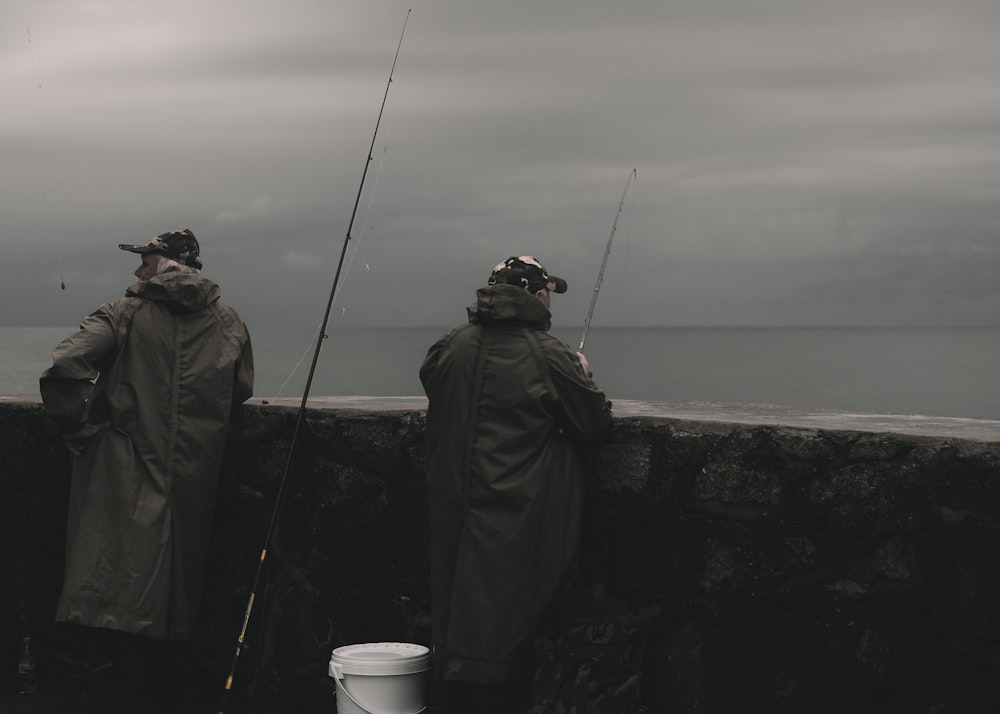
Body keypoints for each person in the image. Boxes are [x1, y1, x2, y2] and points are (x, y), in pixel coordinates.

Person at [39, 229, 254, 712]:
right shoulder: (229, 323)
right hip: (194, 476)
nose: (138, 270)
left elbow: (67, 364)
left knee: (122, 590)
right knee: (173, 599)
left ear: (166, 264)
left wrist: (74, 424)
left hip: (123, 471)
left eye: (146, 259)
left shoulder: (125, 314)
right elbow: (238, 389)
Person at [419, 255, 613, 713]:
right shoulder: (550, 356)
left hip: (453, 515)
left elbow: (435, 384)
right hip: (519, 520)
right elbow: (597, 427)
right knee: (509, 640)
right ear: (539, 296)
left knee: (458, 626)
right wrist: (583, 373)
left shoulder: (450, 345)